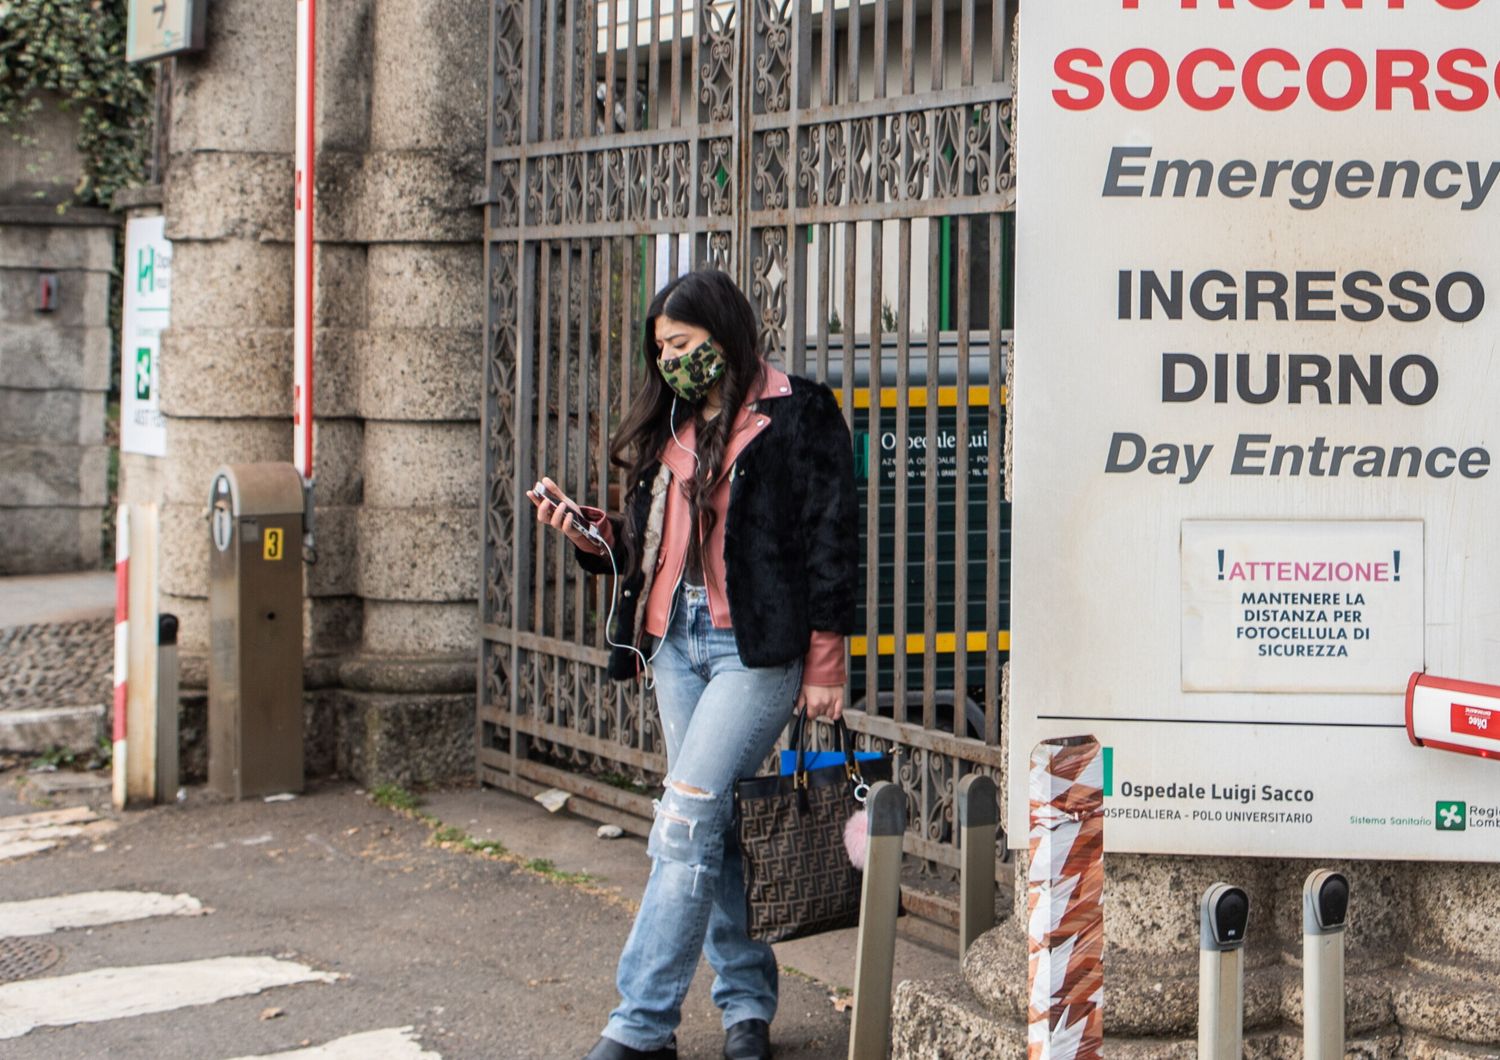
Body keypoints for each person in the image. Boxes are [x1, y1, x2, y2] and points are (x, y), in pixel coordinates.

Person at [528, 268, 859, 1060]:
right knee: (713, 828)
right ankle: (746, 1007)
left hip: (754, 652)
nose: (670, 360)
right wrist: (590, 533)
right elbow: (650, 545)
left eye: (682, 344)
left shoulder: (800, 413)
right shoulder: (668, 425)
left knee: (681, 824)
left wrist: (824, 660)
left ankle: (640, 1028)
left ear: (724, 332)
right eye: (661, 349)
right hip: (673, 642)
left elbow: (831, 537)